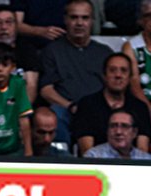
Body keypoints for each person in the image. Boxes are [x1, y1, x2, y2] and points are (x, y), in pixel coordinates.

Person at [37, 0, 108, 142]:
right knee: (55, 114)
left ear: (92, 21)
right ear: (65, 20)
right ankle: (62, 159)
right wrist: (71, 107)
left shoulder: (105, 53)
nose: (79, 23)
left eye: (85, 18)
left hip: (99, 111)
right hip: (67, 109)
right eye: (74, 17)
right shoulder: (52, 51)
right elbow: (46, 90)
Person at [71, 51, 151, 154]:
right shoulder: (87, 104)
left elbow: (142, 151)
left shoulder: (140, 108)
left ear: (130, 77)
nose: (118, 75)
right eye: (112, 70)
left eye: (124, 70)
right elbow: (87, 152)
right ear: (104, 75)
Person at [83, 109, 151, 160]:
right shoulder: (93, 156)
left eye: (124, 126)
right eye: (113, 126)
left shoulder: (146, 159)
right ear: (107, 131)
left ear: (134, 132)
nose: (118, 132)